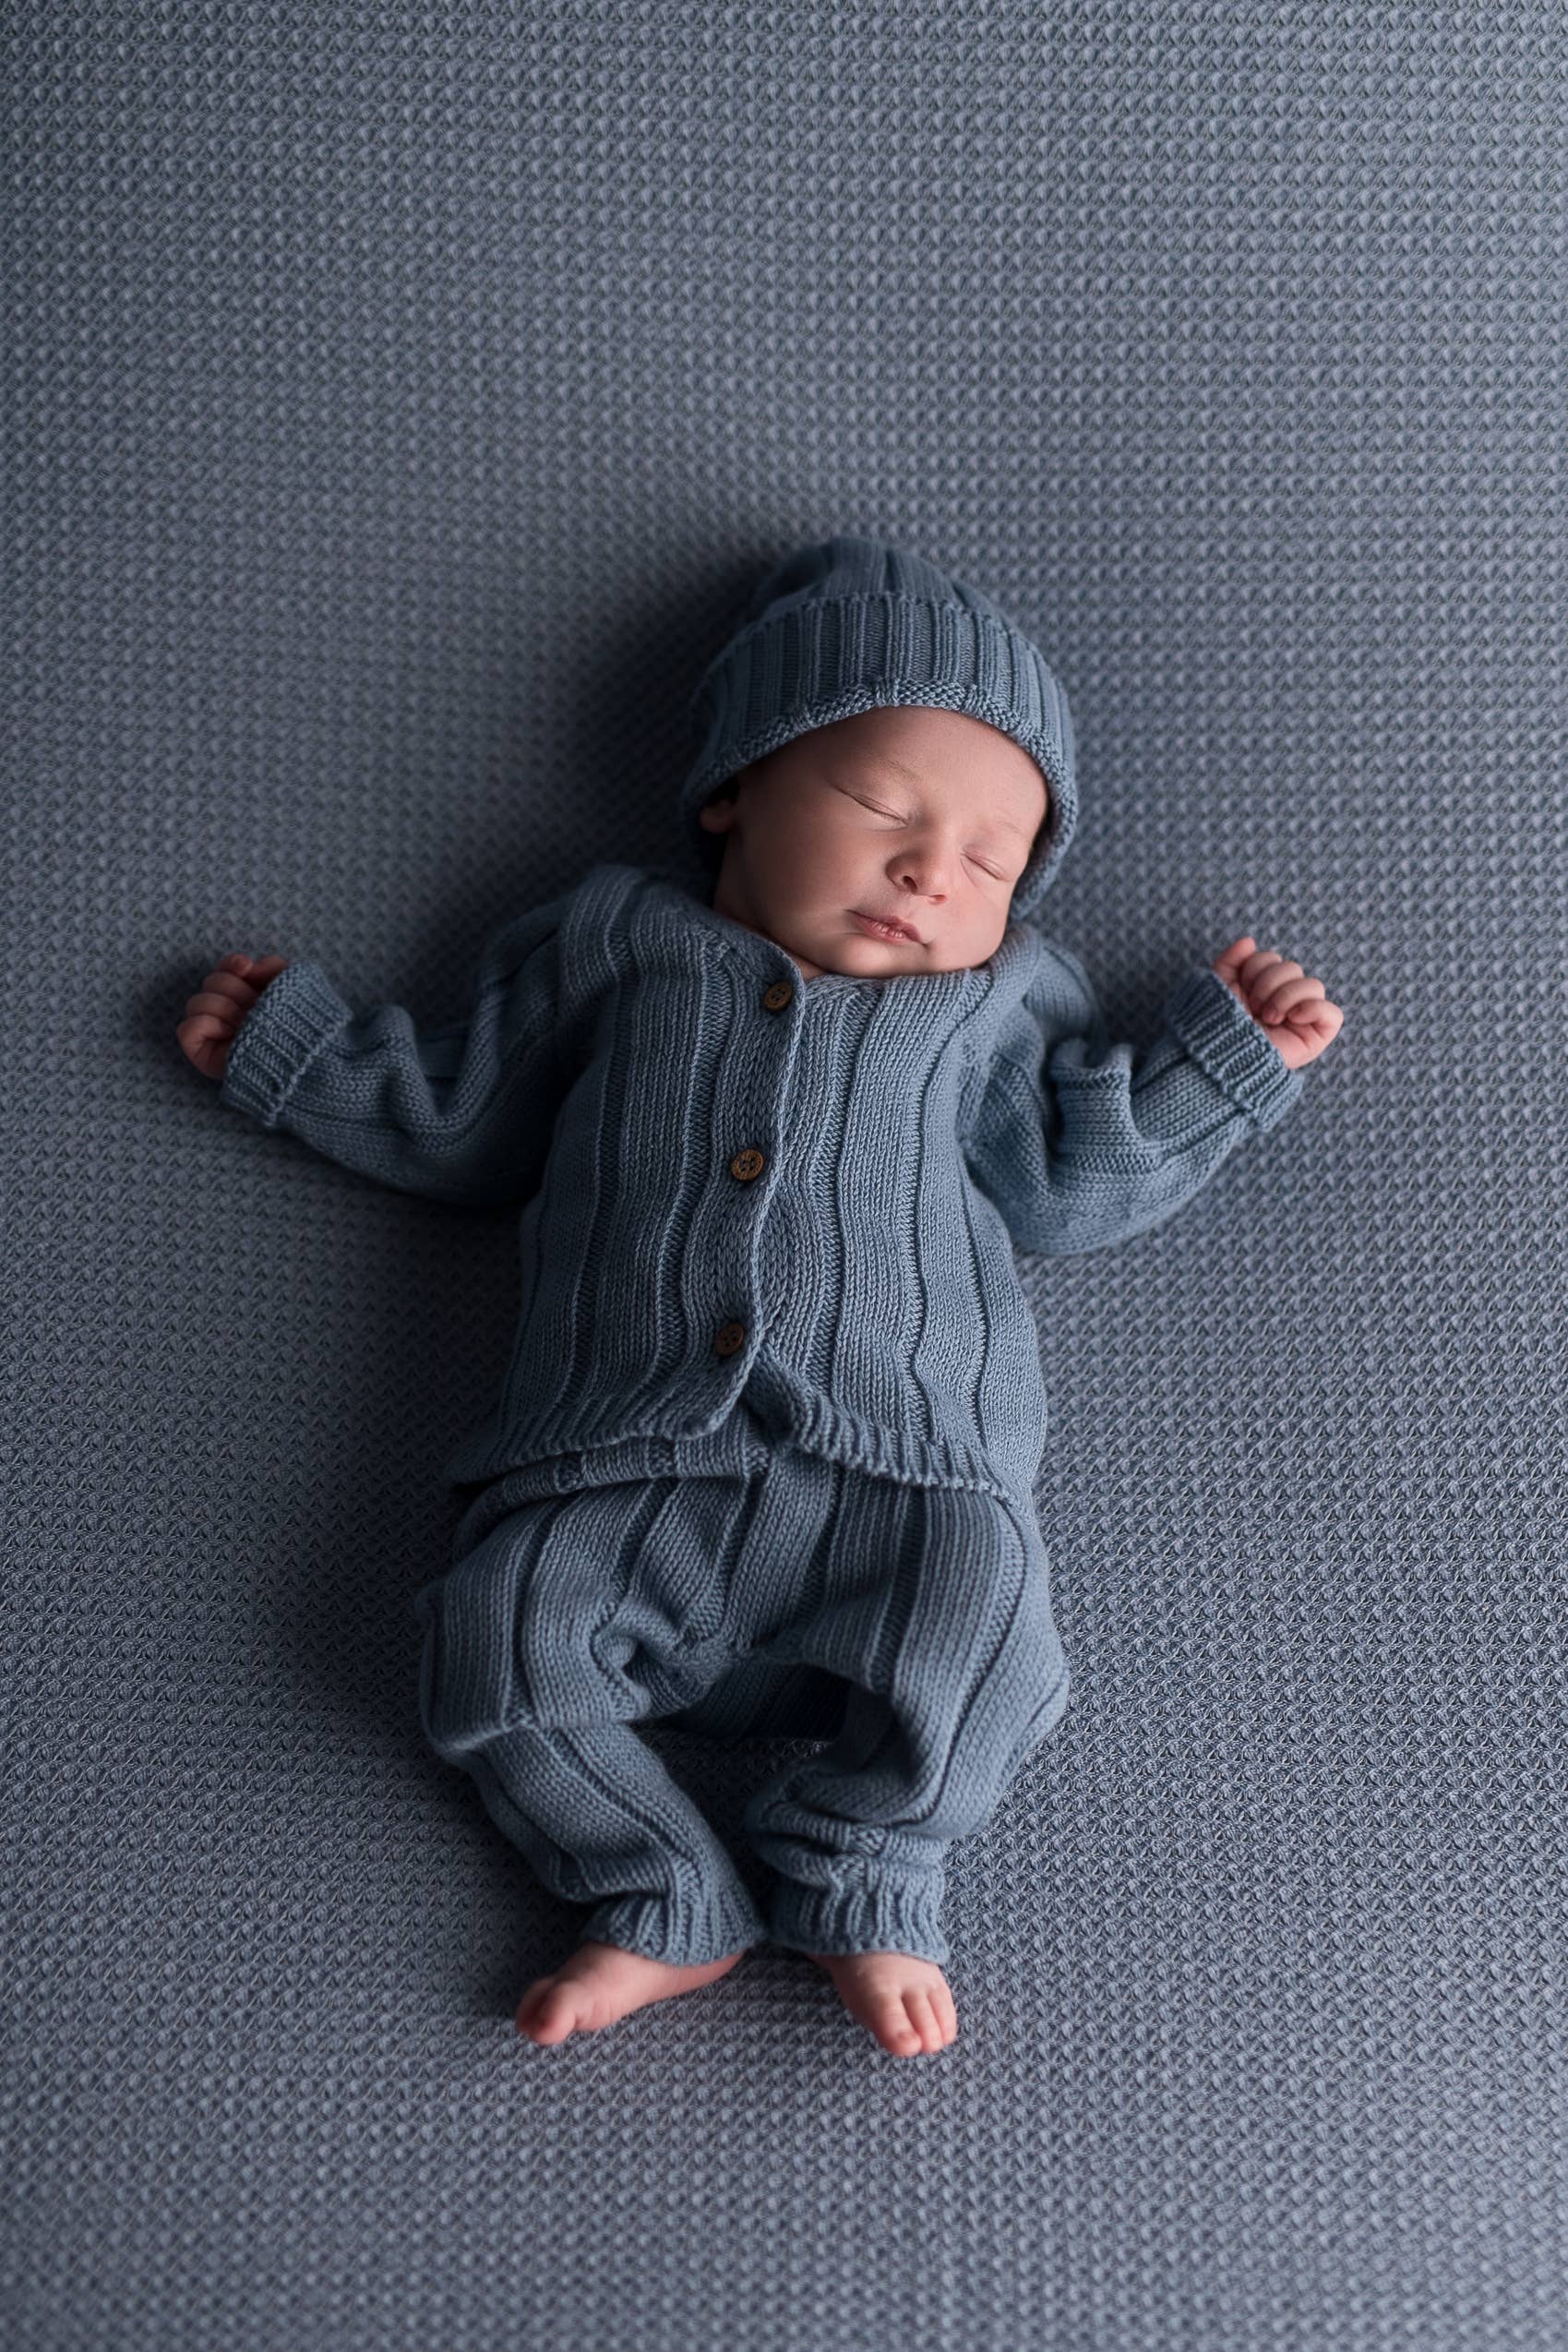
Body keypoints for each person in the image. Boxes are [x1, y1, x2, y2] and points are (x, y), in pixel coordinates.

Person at [175, 534, 1343, 2058]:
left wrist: (1220, 1067)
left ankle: (866, 1867)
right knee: (488, 1642)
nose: (934, 872)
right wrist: (306, 1057)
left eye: (993, 862)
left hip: (906, 1477)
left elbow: (1068, 1180)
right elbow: (468, 1123)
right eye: (884, 808)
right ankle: (660, 1890)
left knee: (1001, 1653)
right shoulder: (615, 943)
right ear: (735, 788)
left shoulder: (990, 1007)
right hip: (621, 1463)